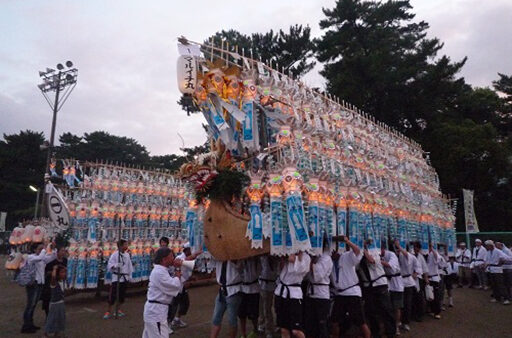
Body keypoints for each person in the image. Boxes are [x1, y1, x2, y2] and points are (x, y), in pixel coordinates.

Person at [330, 236, 371, 338]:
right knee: (334, 321)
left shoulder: (347, 256)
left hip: (352, 293)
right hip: (340, 294)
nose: (334, 253)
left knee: (361, 322)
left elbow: (357, 250)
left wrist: (347, 241)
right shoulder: (330, 261)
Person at [142, 247, 184, 338]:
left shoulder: (161, 271)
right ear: (164, 259)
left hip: (156, 310)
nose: (174, 258)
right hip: (156, 311)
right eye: (171, 256)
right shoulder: (159, 272)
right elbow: (174, 286)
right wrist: (177, 270)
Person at [360, 242, 396, 338]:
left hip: (380, 284)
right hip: (369, 286)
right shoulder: (361, 255)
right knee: (372, 311)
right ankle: (376, 332)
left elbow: (371, 261)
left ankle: (391, 332)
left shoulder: (375, 253)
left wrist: (363, 250)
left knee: (386, 309)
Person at [21, 242, 56, 333]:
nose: (42, 250)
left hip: (39, 283)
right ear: (34, 250)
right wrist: (45, 249)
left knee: (33, 305)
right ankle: (26, 325)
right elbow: (41, 257)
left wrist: (53, 249)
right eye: (39, 249)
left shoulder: (40, 257)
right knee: (30, 305)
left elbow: (52, 257)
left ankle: (30, 324)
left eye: (42, 249)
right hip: (33, 283)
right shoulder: (30, 257)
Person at [274, 252, 311, 338]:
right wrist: (282, 260)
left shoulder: (306, 257)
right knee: (284, 329)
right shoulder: (286, 253)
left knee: (296, 331)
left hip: (294, 295)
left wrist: (295, 260)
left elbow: (302, 271)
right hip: (281, 293)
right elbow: (278, 272)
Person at [170, 242, 202, 329]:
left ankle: (177, 319)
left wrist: (191, 278)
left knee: (185, 303)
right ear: (188, 250)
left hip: (182, 285)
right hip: (177, 286)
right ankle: (169, 323)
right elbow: (178, 272)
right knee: (174, 304)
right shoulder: (179, 258)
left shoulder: (186, 258)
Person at [210, 260, 243, 338]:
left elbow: (241, 268)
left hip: (233, 290)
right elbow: (211, 263)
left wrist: (232, 259)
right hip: (222, 291)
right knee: (216, 318)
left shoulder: (236, 257)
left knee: (232, 320)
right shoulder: (218, 258)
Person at [305, 247, 333, 338]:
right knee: (310, 325)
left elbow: (319, 275)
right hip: (311, 293)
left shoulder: (326, 258)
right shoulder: (314, 257)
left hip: (321, 295)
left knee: (322, 324)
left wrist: (311, 262)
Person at [104, 239, 134, 319]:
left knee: (121, 294)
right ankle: (108, 311)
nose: (126, 246)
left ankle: (118, 309)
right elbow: (109, 265)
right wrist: (116, 265)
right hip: (116, 277)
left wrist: (130, 275)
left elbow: (129, 265)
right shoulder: (115, 255)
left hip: (124, 277)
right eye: (125, 244)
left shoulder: (127, 255)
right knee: (113, 294)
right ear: (120, 246)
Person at [381, 241, 404, 336]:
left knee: (396, 306)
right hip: (387, 281)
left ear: (383, 248)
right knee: (387, 306)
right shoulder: (378, 256)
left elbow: (390, 266)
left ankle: (397, 326)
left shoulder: (391, 254)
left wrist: (377, 261)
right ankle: (388, 326)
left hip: (396, 281)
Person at [42, 246, 68, 317]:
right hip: (52, 283)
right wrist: (55, 272)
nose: (63, 253)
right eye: (61, 251)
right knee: (50, 299)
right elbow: (46, 272)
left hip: (61, 283)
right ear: (57, 252)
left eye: (64, 251)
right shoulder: (51, 262)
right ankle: (49, 316)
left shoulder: (65, 261)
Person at [395, 241, 415, 333]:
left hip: (408, 281)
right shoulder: (395, 256)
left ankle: (405, 322)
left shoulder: (409, 255)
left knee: (407, 303)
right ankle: (398, 322)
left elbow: (407, 255)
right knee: (398, 305)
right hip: (398, 281)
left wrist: (399, 247)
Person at [238, 257, 261, 338]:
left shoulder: (256, 260)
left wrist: (254, 260)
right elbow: (238, 271)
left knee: (254, 313)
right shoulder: (240, 261)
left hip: (254, 289)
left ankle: (255, 329)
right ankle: (243, 334)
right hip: (242, 288)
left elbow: (258, 272)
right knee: (241, 314)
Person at [484, 240, 511, 305]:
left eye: (487, 246)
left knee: (500, 285)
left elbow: (508, 258)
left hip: (498, 270)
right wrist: (485, 265)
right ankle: (497, 297)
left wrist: (501, 261)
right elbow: (487, 260)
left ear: (490, 246)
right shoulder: (488, 252)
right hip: (491, 269)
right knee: (494, 285)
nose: (486, 247)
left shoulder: (498, 251)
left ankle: (507, 298)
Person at [43, 265, 67, 337]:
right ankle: (46, 333)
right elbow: (53, 277)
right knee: (52, 319)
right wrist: (54, 269)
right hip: (54, 304)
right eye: (62, 272)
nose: (64, 274)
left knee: (60, 319)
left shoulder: (63, 281)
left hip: (61, 303)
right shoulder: (54, 282)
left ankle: (57, 333)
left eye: (64, 272)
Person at [258, 255, 278, 338]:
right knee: (263, 307)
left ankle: (269, 328)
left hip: (272, 284)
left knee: (268, 308)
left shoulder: (276, 258)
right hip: (263, 284)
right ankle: (264, 325)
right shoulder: (262, 257)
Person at [412, 241, 428, 322]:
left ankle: (419, 314)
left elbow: (424, 268)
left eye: (415, 247)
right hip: (410, 279)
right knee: (413, 297)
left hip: (419, 278)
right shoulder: (409, 255)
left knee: (419, 297)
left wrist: (426, 279)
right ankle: (413, 314)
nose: (414, 249)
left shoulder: (420, 257)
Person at [426, 243, 442, 319]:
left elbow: (437, 259)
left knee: (436, 296)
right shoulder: (424, 254)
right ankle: (432, 310)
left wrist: (432, 249)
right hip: (427, 277)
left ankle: (437, 312)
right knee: (429, 295)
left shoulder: (434, 253)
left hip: (434, 277)